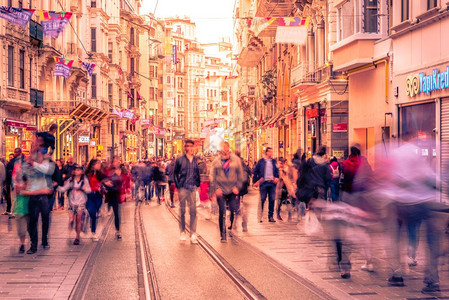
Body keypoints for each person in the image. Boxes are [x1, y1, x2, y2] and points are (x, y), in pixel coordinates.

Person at [22, 137, 55, 254]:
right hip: (33, 194)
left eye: (38, 146)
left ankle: (45, 240)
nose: (36, 148)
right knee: (33, 221)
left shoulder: (47, 161)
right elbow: (24, 173)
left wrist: (34, 163)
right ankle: (33, 245)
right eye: (34, 146)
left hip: (44, 195)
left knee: (45, 218)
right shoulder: (28, 162)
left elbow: (46, 170)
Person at [210, 142, 244, 242]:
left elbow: (241, 175)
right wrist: (216, 188)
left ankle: (231, 227)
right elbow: (212, 176)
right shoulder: (216, 161)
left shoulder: (235, 160)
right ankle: (223, 234)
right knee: (222, 211)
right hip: (221, 189)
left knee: (233, 209)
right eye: (222, 148)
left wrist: (237, 187)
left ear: (229, 148)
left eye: (226, 147)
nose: (224, 149)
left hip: (232, 189)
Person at [174, 139, 201, 244]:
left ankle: (193, 233)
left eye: (191, 146)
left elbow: (197, 173)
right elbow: (175, 174)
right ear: (185, 148)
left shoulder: (195, 160)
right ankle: (182, 232)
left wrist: (197, 185)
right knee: (182, 211)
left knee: (193, 211)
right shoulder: (180, 160)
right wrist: (178, 186)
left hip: (192, 188)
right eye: (188, 146)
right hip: (183, 188)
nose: (190, 148)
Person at [57, 165, 91, 245]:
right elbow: (64, 189)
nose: (77, 171)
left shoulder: (84, 180)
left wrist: (84, 189)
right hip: (72, 202)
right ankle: (70, 231)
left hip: (81, 202)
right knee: (71, 219)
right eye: (76, 170)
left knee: (78, 219)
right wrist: (56, 187)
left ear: (82, 171)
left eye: (79, 170)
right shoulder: (71, 180)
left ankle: (77, 237)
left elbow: (89, 190)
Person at [253, 147, 279, 223]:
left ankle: (270, 216)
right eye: (270, 152)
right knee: (262, 199)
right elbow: (255, 172)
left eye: (272, 152)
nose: (271, 153)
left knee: (272, 199)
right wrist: (256, 181)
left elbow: (277, 171)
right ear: (266, 153)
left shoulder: (274, 162)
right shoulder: (261, 161)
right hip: (264, 183)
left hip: (272, 183)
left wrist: (276, 178)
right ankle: (260, 216)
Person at [86, 159, 105, 241]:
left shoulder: (100, 174)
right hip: (89, 195)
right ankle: (93, 232)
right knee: (92, 213)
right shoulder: (87, 174)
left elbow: (105, 181)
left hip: (98, 195)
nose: (99, 165)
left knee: (95, 212)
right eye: (98, 164)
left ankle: (92, 226)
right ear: (93, 165)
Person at [232, 150, 251, 232]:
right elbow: (249, 171)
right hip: (243, 187)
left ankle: (235, 222)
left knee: (235, 204)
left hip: (236, 186)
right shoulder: (243, 162)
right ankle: (244, 223)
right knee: (240, 203)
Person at [104, 166, 124, 240]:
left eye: (120, 171)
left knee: (117, 214)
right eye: (118, 171)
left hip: (116, 197)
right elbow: (109, 187)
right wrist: (107, 185)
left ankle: (118, 231)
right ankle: (118, 231)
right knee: (117, 214)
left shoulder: (120, 178)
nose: (119, 172)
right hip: (113, 197)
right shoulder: (113, 177)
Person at [3, 148, 22, 217]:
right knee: (14, 197)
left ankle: (14, 211)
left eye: (16, 152)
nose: (15, 154)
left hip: (17, 182)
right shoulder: (15, 161)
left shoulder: (16, 161)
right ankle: (13, 210)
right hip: (14, 181)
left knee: (15, 197)